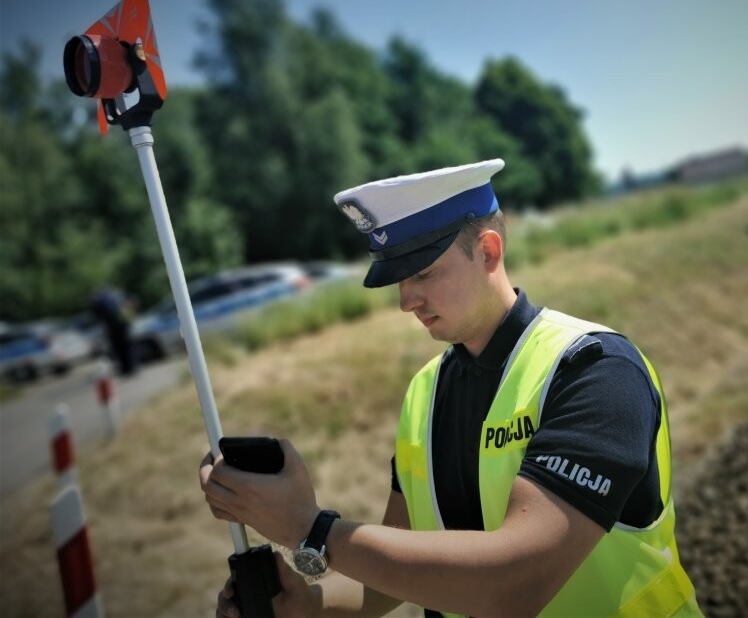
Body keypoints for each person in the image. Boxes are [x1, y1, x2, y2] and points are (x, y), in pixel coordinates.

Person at [200, 159, 701, 617]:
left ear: (488, 251)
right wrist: (311, 602)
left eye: (423, 272)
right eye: (397, 279)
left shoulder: (596, 370)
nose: (406, 300)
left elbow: (515, 583)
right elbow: (398, 572)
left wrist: (311, 530)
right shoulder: (425, 393)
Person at [90, 286, 138, 376]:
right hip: (124, 326)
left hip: (111, 328)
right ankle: (133, 367)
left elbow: (96, 315)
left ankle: (125, 369)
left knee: (118, 350)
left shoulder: (99, 300)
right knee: (128, 348)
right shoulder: (118, 296)